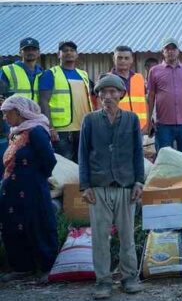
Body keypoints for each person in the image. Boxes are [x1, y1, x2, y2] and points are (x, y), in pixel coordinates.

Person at [78, 75, 145, 299]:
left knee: (127, 236)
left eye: (113, 92)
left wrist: (139, 181)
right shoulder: (89, 120)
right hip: (98, 186)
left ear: (121, 94)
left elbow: (138, 153)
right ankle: (103, 281)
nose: (108, 96)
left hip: (126, 186)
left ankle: (129, 278)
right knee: (100, 237)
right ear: (98, 96)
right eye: (103, 92)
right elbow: (83, 155)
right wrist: (84, 185)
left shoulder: (132, 119)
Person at [0, 96, 58, 284]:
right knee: (14, 225)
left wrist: (34, 177)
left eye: (6, 113)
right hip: (13, 190)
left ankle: (47, 267)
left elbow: (49, 160)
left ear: (18, 112)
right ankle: (22, 267)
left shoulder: (36, 131)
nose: (4, 117)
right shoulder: (16, 132)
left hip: (32, 188)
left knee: (37, 224)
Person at [38, 40, 94, 161]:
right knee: (64, 163)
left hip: (83, 127)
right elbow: (43, 101)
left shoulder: (83, 74)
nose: (69, 53)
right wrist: (50, 127)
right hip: (61, 129)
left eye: (72, 50)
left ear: (77, 54)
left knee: (83, 161)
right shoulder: (50, 74)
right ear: (59, 54)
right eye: (65, 50)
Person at [146, 38, 182, 154]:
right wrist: (148, 120)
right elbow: (150, 97)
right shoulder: (154, 71)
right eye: (167, 49)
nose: (170, 51)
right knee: (164, 158)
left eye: (173, 48)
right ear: (162, 52)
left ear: (178, 51)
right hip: (163, 124)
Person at [106, 46, 148, 131]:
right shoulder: (107, 79)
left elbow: (145, 102)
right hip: (116, 128)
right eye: (120, 58)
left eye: (126, 58)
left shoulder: (139, 78)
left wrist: (146, 123)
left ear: (131, 60)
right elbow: (100, 105)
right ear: (114, 59)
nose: (123, 61)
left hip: (139, 128)